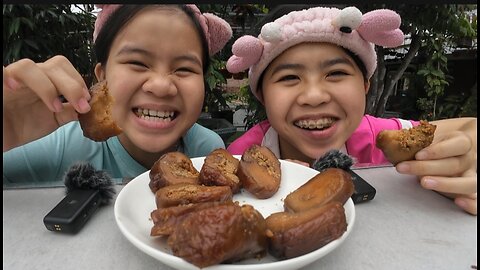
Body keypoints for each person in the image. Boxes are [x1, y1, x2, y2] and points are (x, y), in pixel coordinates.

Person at [226, 5, 477, 215]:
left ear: (365, 84)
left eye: (336, 73)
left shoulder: (378, 138)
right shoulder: (242, 159)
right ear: (262, 95)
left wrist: (465, 156)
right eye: (289, 77)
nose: (314, 96)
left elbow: (468, 128)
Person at [3, 5, 233, 185]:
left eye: (184, 68)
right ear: (101, 79)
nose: (161, 85)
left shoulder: (206, 150)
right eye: (137, 62)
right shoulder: (60, 145)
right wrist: (8, 128)